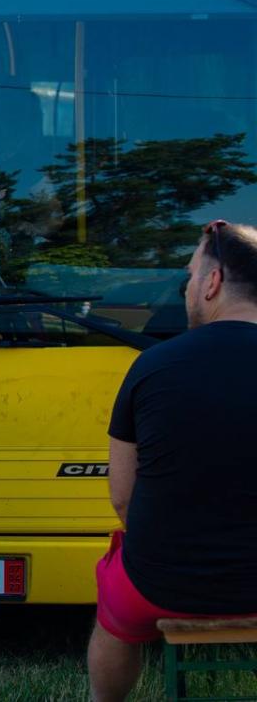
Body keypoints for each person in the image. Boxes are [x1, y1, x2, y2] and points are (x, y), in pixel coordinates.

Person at [87, 221, 257, 702]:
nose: (185, 289)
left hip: (159, 582)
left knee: (113, 614)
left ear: (213, 282)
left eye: (189, 276)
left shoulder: (151, 366)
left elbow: (123, 498)